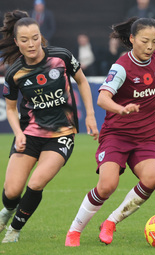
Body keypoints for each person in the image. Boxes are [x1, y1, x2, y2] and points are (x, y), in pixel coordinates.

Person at [64, 17, 155, 247]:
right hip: (117, 135)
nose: (150, 46)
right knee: (107, 185)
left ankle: (111, 222)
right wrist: (120, 109)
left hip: (146, 138)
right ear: (132, 39)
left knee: (152, 177)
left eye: (154, 41)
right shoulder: (122, 67)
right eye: (145, 41)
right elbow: (102, 98)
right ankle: (74, 230)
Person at [0, 10, 98, 243]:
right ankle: (8, 210)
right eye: (24, 40)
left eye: (35, 37)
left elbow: (82, 81)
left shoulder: (61, 57)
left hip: (61, 134)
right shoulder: (14, 73)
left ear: (40, 36)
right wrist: (17, 133)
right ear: (17, 42)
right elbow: (11, 109)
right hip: (29, 134)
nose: (31, 44)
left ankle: (13, 230)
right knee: (12, 192)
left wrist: (90, 115)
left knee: (36, 182)